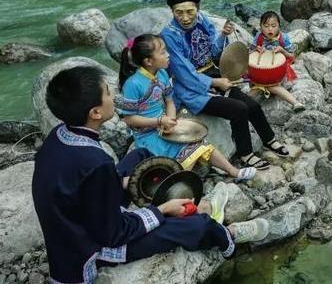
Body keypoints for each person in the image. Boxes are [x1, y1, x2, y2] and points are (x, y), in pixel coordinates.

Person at [32, 66, 269, 283]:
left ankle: (158, 200)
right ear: (95, 112)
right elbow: (115, 234)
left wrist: (120, 183)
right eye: (107, 93)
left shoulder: (58, 136)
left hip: (78, 220)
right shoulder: (96, 163)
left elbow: (81, 188)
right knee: (197, 226)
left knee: (141, 155)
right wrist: (162, 211)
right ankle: (228, 235)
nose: (113, 96)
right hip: (90, 247)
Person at [160, 0, 288, 170]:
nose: (186, 18)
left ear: (197, 8)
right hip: (190, 88)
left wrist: (223, 35)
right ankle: (246, 154)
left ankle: (269, 139)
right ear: (172, 12)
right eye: (179, 13)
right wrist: (214, 83)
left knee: (252, 105)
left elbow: (213, 52)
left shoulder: (202, 20)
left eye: (190, 11)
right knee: (238, 109)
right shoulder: (169, 35)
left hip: (213, 73)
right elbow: (182, 73)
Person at [117, 33, 256, 182]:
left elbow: (169, 101)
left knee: (201, 143)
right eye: (163, 52)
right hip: (147, 135)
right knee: (181, 156)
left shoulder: (162, 74)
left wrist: (170, 120)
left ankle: (234, 172)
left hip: (164, 126)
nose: (168, 55)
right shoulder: (133, 84)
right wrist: (159, 121)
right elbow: (129, 119)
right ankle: (178, 185)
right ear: (149, 61)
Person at [249, 11, 305, 112]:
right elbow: (250, 52)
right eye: (266, 26)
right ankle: (296, 103)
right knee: (260, 84)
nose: (270, 29)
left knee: (269, 86)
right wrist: (257, 49)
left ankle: (295, 102)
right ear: (260, 26)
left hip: (278, 72)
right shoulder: (259, 36)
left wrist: (282, 50)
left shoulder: (284, 38)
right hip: (261, 71)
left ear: (279, 26)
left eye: (273, 26)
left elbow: (292, 56)